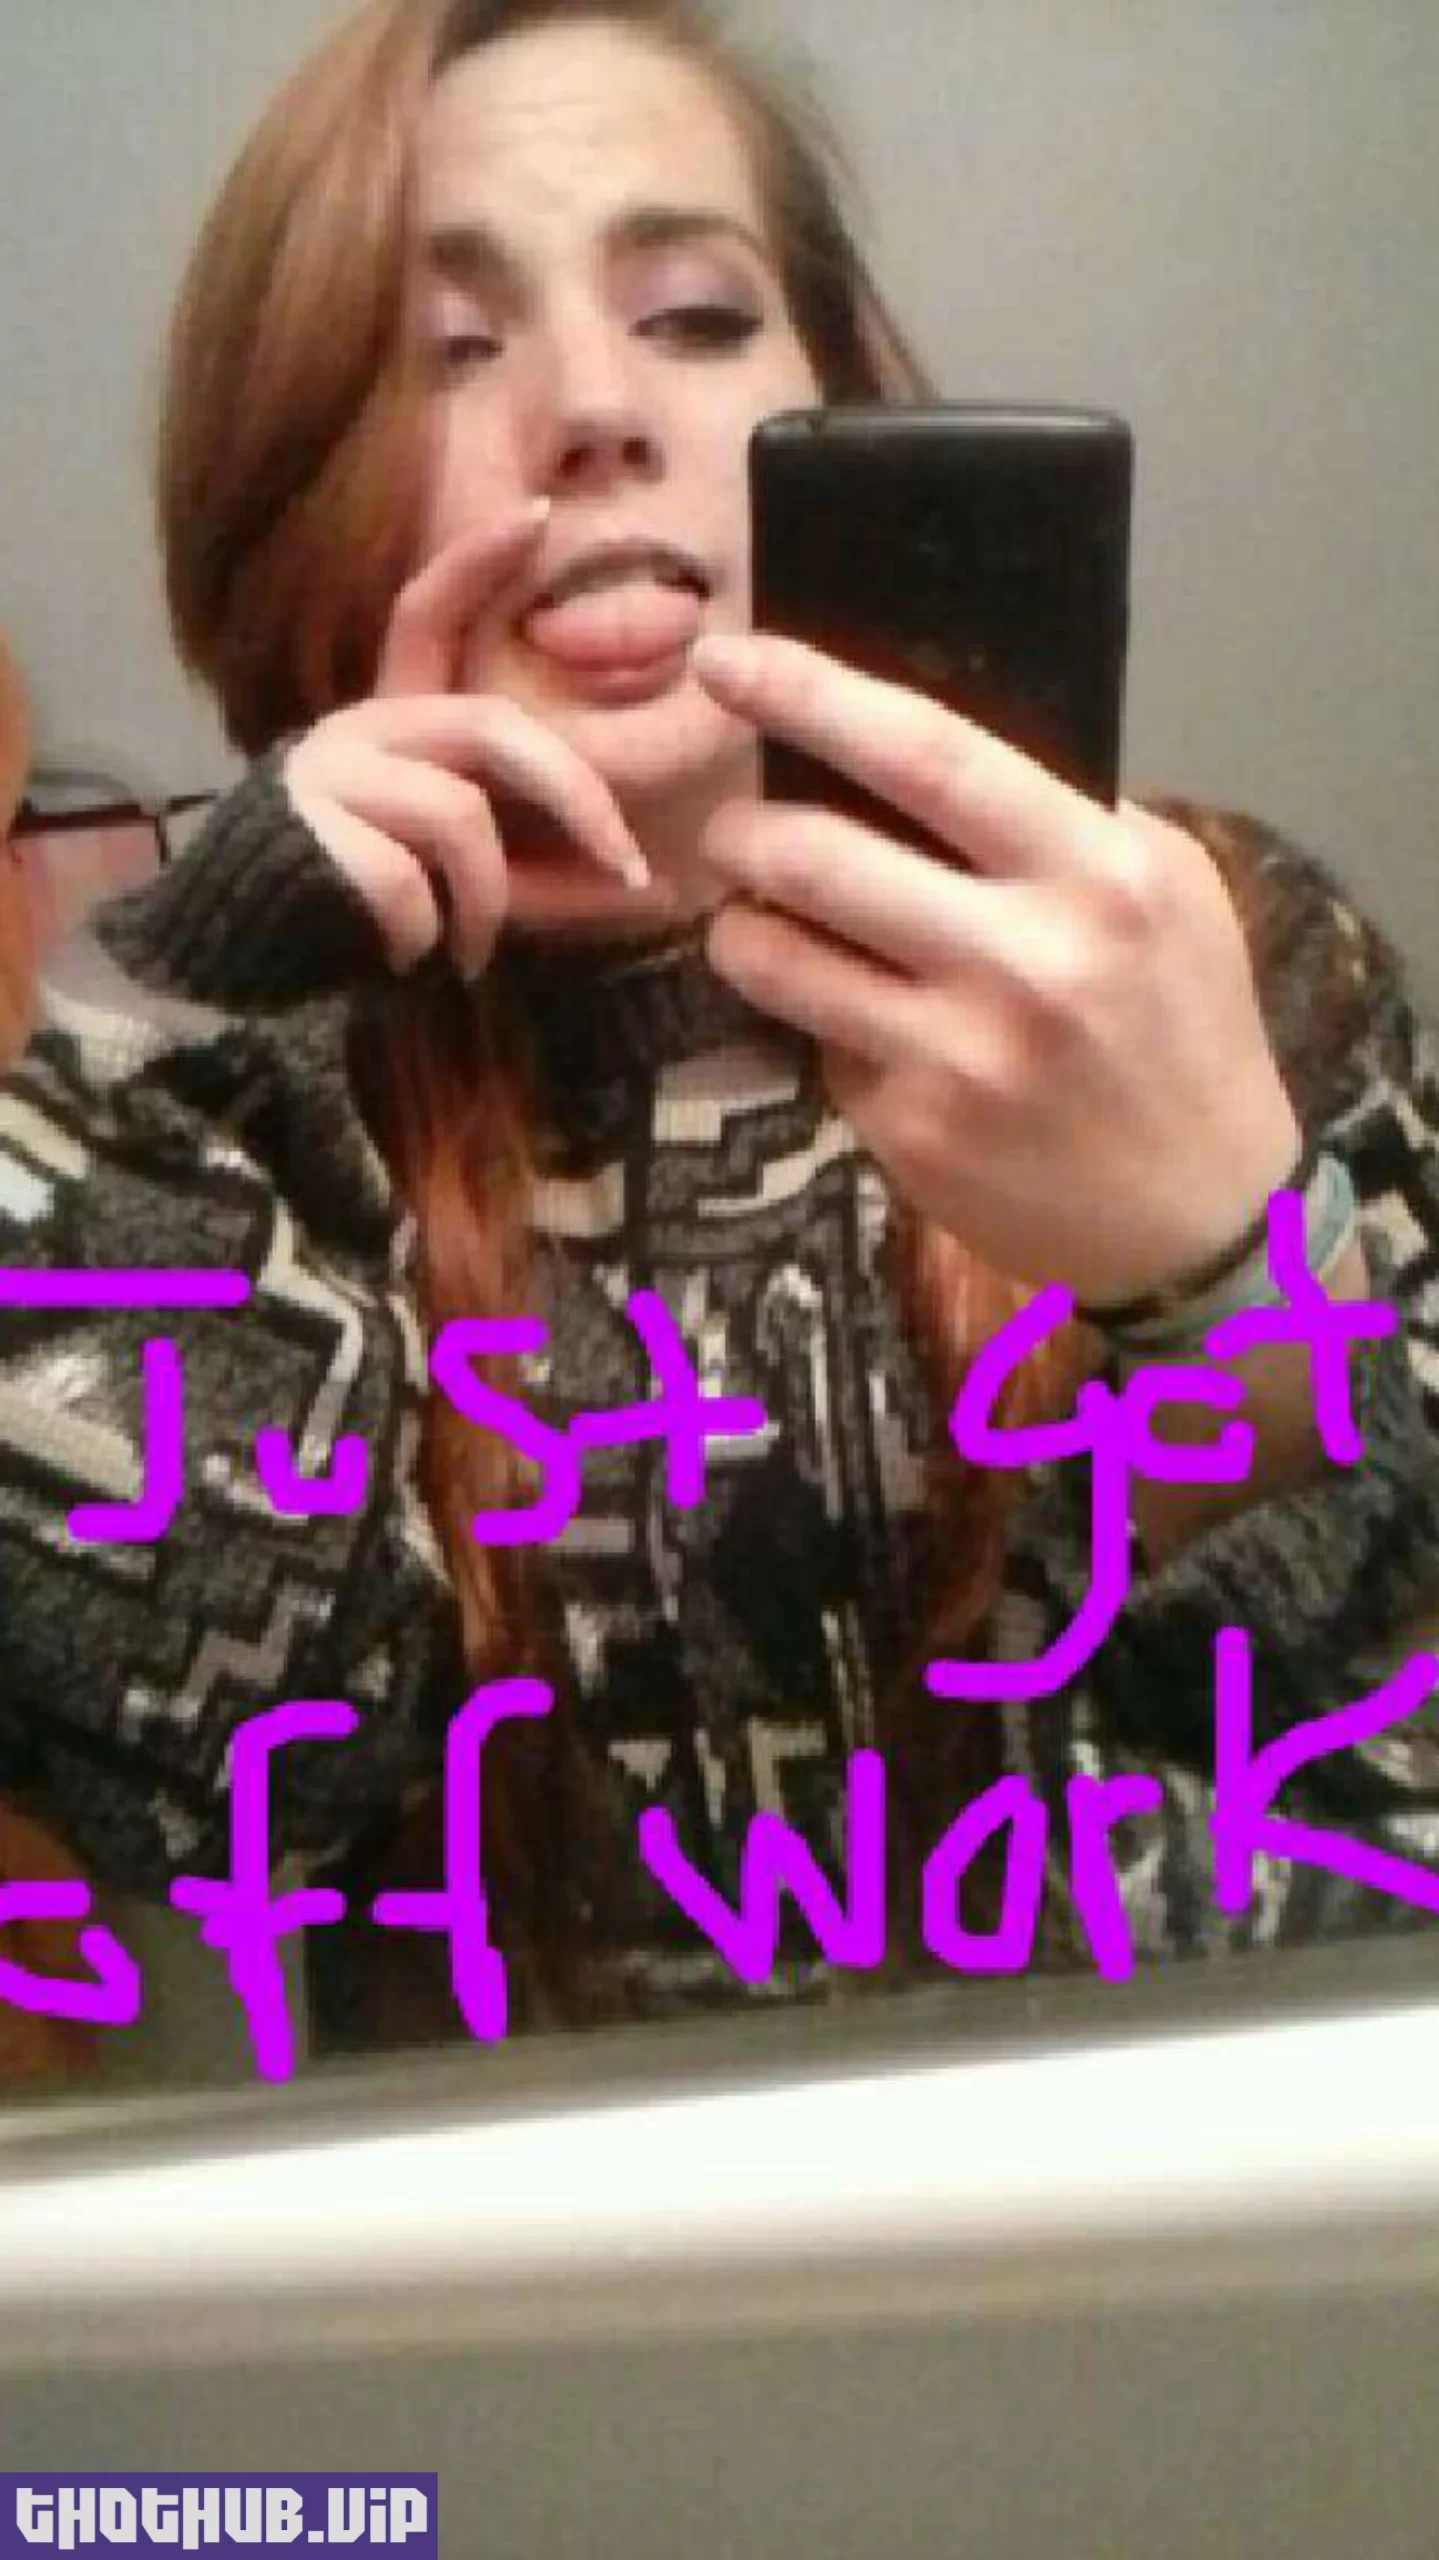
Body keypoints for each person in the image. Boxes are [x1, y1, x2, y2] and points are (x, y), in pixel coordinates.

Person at [1, 0, 1437, 2051]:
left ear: (837, 403)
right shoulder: (240, 1107)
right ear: (304, 491)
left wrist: (1233, 1295)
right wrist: (151, 996)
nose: (593, 407)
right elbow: (242, 1767)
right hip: (499, 2259)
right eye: (446, 349)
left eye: (692, 314)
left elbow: (1362, 1870)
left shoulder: (1210, 958)